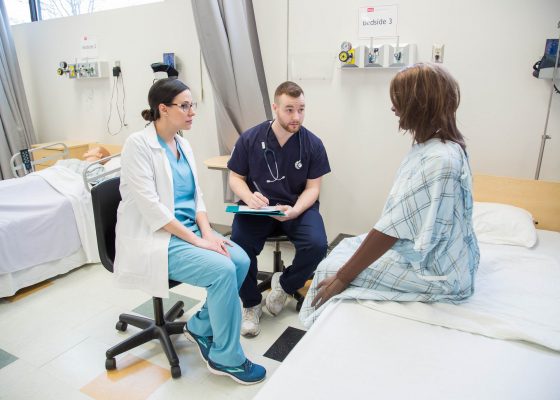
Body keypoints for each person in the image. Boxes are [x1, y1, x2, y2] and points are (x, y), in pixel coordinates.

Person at [300, 63, 480, 326]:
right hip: (443, 258)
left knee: (330, 268)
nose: (393, 108)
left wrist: (343, 277)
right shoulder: (440, 146)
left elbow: (391, 228)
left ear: (420, 105)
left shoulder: (438, 160)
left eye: (398, 101)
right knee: (347, 246)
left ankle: (312, 332)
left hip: (438, 273)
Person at [114, 78, 266, 385]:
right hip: (158, 237)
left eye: (191, 104)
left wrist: (208, 234)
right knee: (224, 269)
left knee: (241, 260)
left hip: (190, 230)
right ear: (162, 109)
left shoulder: (182, 143)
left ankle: (198, 325)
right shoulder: (138, 145)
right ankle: (226, 358)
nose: (192, 111)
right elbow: (152, 208)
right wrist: (199, 240)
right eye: (184, 105)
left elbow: (196, 196)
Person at [228, 81, 331, 337]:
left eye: (301, 109)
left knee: (317, 245)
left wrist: (295, 210)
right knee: (239, 247)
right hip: (258, 209)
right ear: (275, 107)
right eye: (289, 110)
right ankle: (251, 304)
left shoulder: (313, 144)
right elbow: (235, 178)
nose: (296, 117)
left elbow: (313, 188)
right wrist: (248, 196)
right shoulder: (250, 139)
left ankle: (284, 285)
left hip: (295, 208)